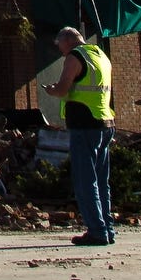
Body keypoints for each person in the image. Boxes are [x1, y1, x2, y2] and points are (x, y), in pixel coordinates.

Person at [47, 25, 117, 246]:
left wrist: (51, 90)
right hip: (105, 122)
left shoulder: (74, 57)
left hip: (84, 125)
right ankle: (107, 228)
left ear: (67, 41)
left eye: (60, 46)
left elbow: (63, 89)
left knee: (86, 181)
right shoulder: (99, 55)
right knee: (101, 180)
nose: (60, 51)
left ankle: (96, 231)